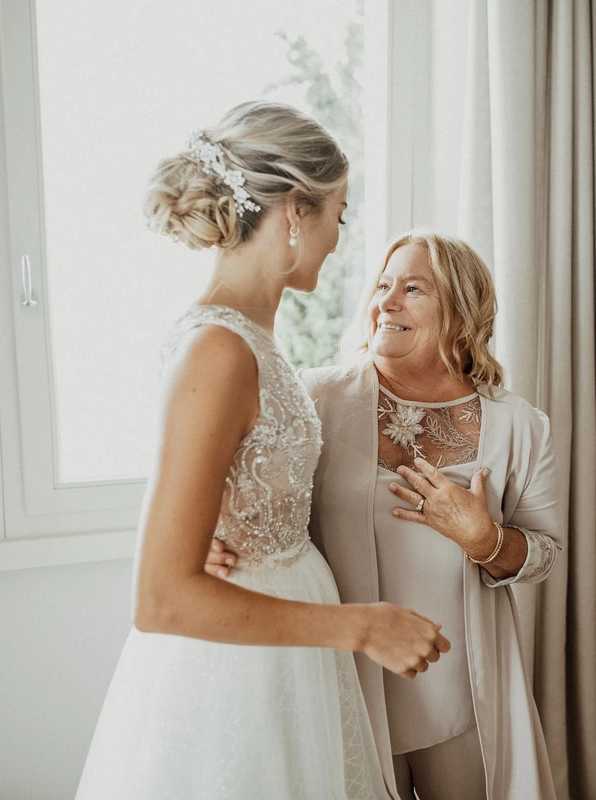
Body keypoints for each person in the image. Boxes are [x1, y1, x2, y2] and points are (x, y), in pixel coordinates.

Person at [76, 102, 449, 800]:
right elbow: (159, 598)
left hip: (289, 648)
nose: (341, 235)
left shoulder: (253, 340)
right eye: (341, 210)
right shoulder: (216, 349)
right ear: (297, 210)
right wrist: (361, 627)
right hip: (236, 670)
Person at [209, 231, 564, 799]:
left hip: (464, 690)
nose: (387, 301)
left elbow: (546, 554)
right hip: (347, 678)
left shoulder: (519, 425)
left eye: (414, 288)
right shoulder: (316, 397)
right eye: (382, 284)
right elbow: (232, 483)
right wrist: (212, 531)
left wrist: (485, 538)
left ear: (461, 311)